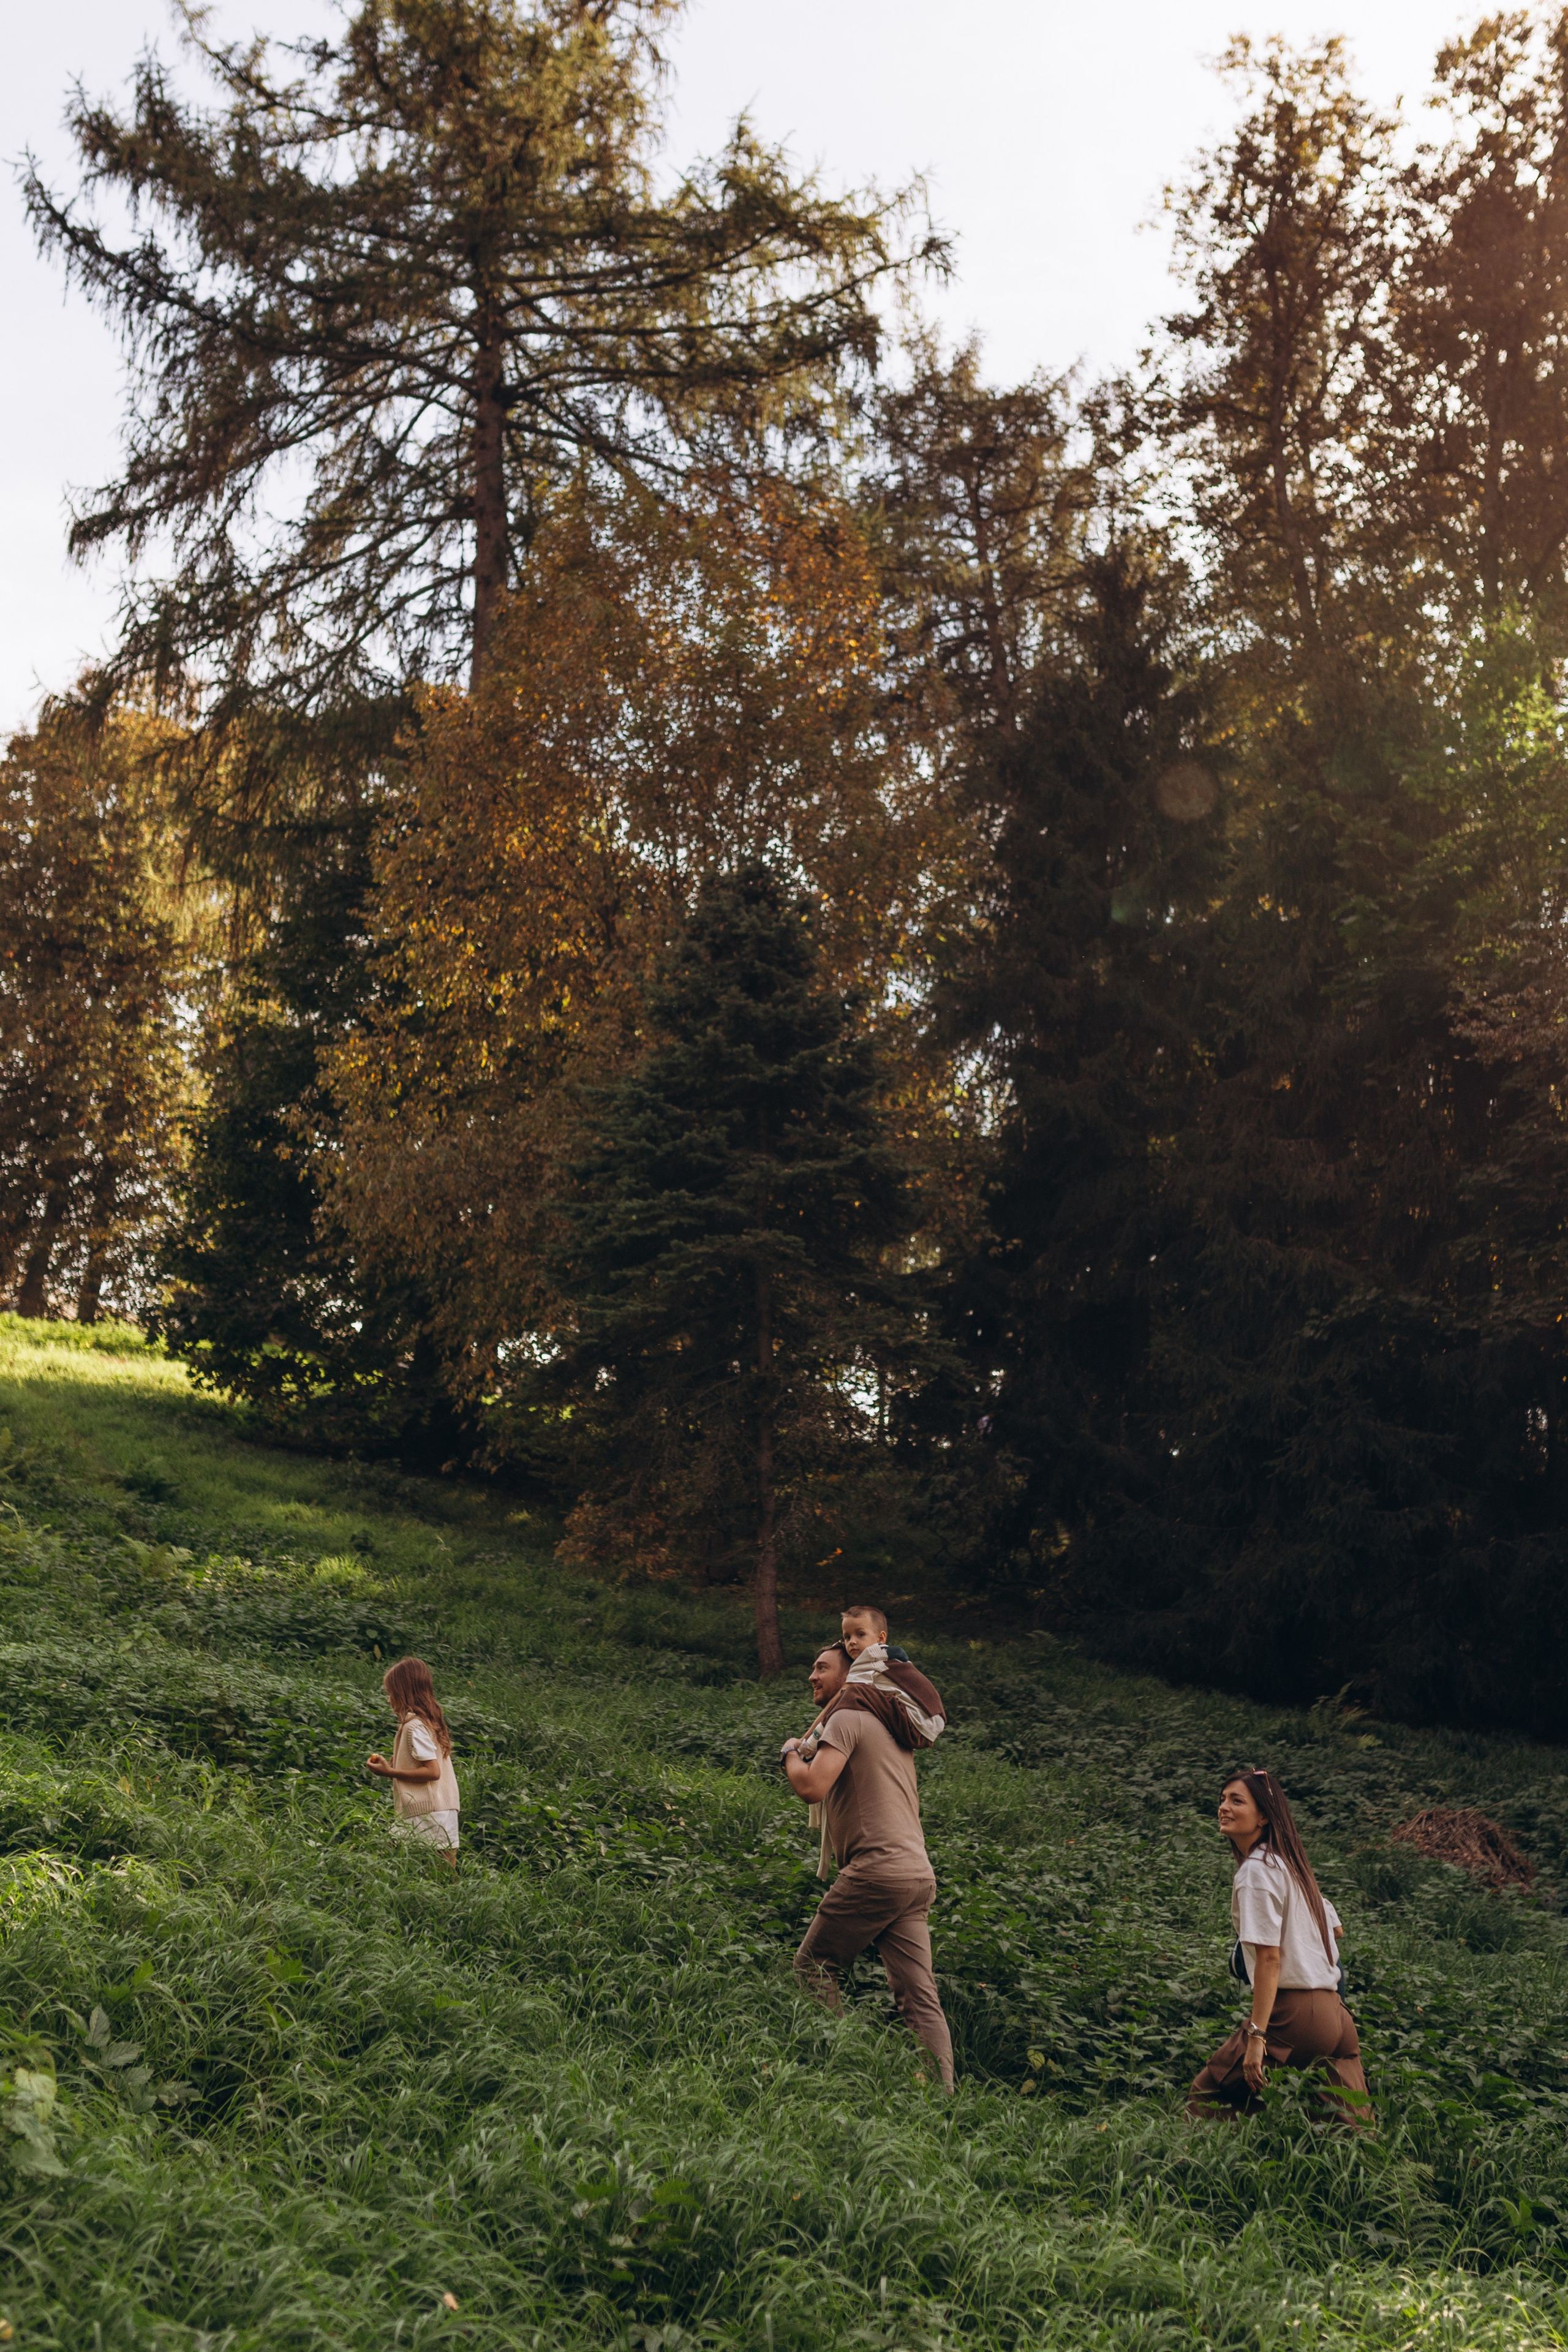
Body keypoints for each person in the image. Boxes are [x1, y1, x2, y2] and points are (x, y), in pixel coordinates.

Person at [782, 1642, 955, 2092]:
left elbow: (813, 1786)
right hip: (916, 1875)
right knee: (919, 1996)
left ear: (850, 1676)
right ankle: (943, 2098)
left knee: (813, 1966)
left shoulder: (846, 1718)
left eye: (822, 1668)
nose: (812, 1676)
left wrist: (787, 1755)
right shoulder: (888, 1727)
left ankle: (844, 2070)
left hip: (877, 1871)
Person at [1188, 1765, 1369, 2124]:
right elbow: (1336, 1930)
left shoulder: (1256, 1871)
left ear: (1265, 1817)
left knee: (1210, 2096)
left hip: (1296, 2013)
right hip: (1336, 2014)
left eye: (1237, 1801)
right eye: (1222, 1799)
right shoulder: (1292, 1867)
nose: (1224, 1807)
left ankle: (1194, 2172)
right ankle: (1369, 2178)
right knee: (1348, 2130)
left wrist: (1257, 2038)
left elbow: (1270, 1959)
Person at [366, 1655, 461, 1872]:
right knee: (440, 1870)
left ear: (403, 1693)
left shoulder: (414, 1726)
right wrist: (396, 1766)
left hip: (428, 1811)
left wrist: (391, 1772)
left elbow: (432, 1771)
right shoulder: (427, 1722)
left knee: (436, 1871)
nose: (389, 1700)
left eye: (391, 1694)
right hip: (438, 1808)